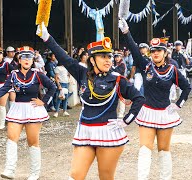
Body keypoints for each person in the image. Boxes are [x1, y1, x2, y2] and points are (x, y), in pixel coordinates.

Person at [37, 22, 144, 180]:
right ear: (92, 60)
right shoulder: (82, 73)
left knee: (105, 177)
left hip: (108, 133)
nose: (108, 60)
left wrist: (126, 121)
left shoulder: (117, 79)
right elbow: (63, 57)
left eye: (109, 56)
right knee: (75, 175)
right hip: (85, 131)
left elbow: (139, 98)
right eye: (103, 56)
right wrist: (46, 37)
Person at [119, 18, 191, 179]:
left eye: (159, 50)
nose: (156, 53)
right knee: (144, 149)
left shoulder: (173, 70)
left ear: (165, 53)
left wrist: (178, 104)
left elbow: (187, 88)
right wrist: (126, 32)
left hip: (165, 113)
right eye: (153, 51)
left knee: (164, 150)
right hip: (147, 112)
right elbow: (134, 49)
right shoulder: (145, 66)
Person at [0, 46, 56, 180]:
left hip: (33, 109)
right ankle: (10, 169)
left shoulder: (37, 73)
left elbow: (52, 87)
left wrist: (44, 101)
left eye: (29, 57)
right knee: (11, 138)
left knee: (32, 141)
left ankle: (34, 173)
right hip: (17, 109)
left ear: (32, 60)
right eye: (24, 57)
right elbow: (5, 88)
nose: (27, 60)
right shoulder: (13, 74)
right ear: (19, 60)